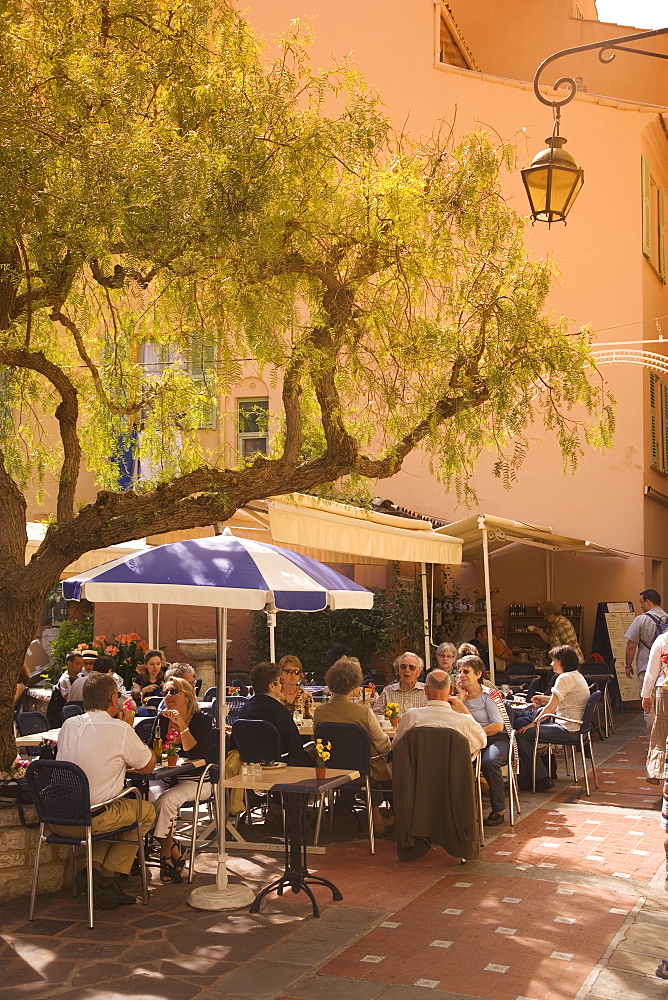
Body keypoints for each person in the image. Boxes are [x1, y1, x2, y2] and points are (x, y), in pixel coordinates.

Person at [55, 672, 156, 909]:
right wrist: (127, 727)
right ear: (113, 699)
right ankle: (109, 878)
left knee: (113, 808)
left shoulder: (68, 724)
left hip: (56, 817)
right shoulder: (118, 729)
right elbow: (147, 766)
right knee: (145, 810)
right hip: (90, 818)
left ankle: (92, 870)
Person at [313, 656, 393, 834]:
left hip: (330, 771)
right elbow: (382, 745)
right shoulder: (363, 712)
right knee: (378, 760)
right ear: (355, 684)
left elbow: (318, 741)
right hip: (360, 772)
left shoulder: (319, 711)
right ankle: (378, 818)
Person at [148, 677, 213, 883]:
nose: (168, 696)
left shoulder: (201, 720)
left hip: (197, 780)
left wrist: (182, 724)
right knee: (147, 799)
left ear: (187, 696)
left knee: (167, 801)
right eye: (165, 692)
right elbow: (153, 750)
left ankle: (165, 854)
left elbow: (197, 753)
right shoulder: (161, 720)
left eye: (174, 692)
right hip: (167, 779)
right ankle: (174, 846)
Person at [515, 645, 590, 790]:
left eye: (553, 661)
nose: (551, 664)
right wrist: (544, 699)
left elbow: (551, 708)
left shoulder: (564, 678)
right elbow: (563, 699)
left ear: (562, 661)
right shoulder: (576, 675)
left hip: (568, 729)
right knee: (524, 725)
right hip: (577, 728)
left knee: (522, 734)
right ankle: (535, 774)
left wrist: (534, 724)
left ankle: (541, 779)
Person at [232, 661, 312, 765]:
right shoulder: (281, 712)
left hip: (250, 766)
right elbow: (295, 748)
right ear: (271, 686)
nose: (281, 686)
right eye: (280, 682)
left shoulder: (245, 709)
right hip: (280, 766)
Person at [392, 669, 487, 755]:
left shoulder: (411, 717)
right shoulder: (463, 721)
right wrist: (466, 712)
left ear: (426, 689)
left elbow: (396, 747)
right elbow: (482, 741)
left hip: (417, 772)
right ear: (450, 690)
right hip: (453, 773)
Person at [625, 590, 668, 727]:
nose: (641, 606)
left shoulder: (641, 619)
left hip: (646, 664)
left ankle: (652, 736)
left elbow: (631, 646)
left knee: (648, 703)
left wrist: (628, 665)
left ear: (648, 602)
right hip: (664, 668)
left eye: (641, 602)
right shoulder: (667, 618)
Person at [640, 629, 668, 782]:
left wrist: (645, 696)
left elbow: (651, 672)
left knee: (660, 733)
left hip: (663, 691)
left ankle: (657, 771)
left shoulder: (662, 640)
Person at [373, 652, 427, 718]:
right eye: (403, 666)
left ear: (419, 671)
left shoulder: (427, 691)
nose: (407, 670)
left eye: (412, 667)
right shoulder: (388, 691)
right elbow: (376, 715)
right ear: (398, 669)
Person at [278, 654, 314, 719]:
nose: (293, 675)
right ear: (281, 673)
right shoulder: (275, 695)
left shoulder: (306, 696)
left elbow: (311, 720)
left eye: (296, 672)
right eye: (289, 671)